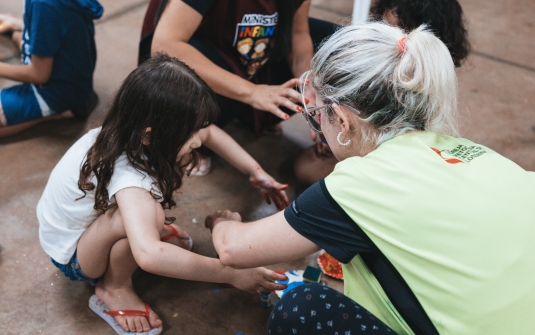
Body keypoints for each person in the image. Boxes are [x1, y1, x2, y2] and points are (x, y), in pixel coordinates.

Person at [206, 23, 535, 334]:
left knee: (301, 308)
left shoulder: (359, 184)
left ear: (343, 121)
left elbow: (234, 250)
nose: (318, 125)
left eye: (318, 115)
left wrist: (222, 221)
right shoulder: (472, 152)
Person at [37, 54, 289, 335]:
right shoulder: (129, 179)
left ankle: (137, 231)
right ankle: (113, 288)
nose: (198, 139)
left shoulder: (129, 131)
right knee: (150, 219)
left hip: (83, 231)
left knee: (152, 209)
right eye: (190, 132)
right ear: (148, 135)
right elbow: (149, 255)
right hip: (74, 256)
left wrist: (254, 171)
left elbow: (210, 134)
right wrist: (230, 272)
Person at [140, 0, 339, 175]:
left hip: (250, 46)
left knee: (338, 44)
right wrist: (252, 92)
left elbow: (297, 32)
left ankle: (246, 113)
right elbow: (165, 44)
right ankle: (189, 139)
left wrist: (310, 87)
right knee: (224, 79)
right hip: (196, 51)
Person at [294, 0, 471, 186]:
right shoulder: (367, 62)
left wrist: (339, 136)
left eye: (400, 30)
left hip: (385, 154)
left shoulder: (421, 89)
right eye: (383, 25)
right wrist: (329, 127)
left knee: (310, 171)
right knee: (307, 167)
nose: (388, 38)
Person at [0, 0, 102, 140]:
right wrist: (17, 24)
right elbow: (55, 25)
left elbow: (39, 75)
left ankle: (60, 112)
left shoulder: (44, 5)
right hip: (71, 74)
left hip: (58, 91)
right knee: (17, 34)